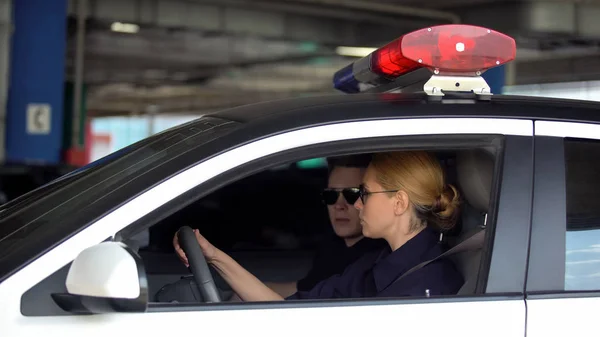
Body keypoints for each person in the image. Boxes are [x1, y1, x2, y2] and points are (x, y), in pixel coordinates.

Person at [174, 151, 464, 301]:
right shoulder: (373, 266)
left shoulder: (429, 287)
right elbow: (286, 308)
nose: (357, 205)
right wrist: (213, 255)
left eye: (363, 194)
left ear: (399, 203)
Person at [174, 154, 386, 298]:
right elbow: (303, 290)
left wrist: (215, 257)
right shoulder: (334, 245)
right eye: (331, 195)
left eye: (351, 194)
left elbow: (296, 307)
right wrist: (234, 293)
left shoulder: (372, 263)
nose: (339, 205)